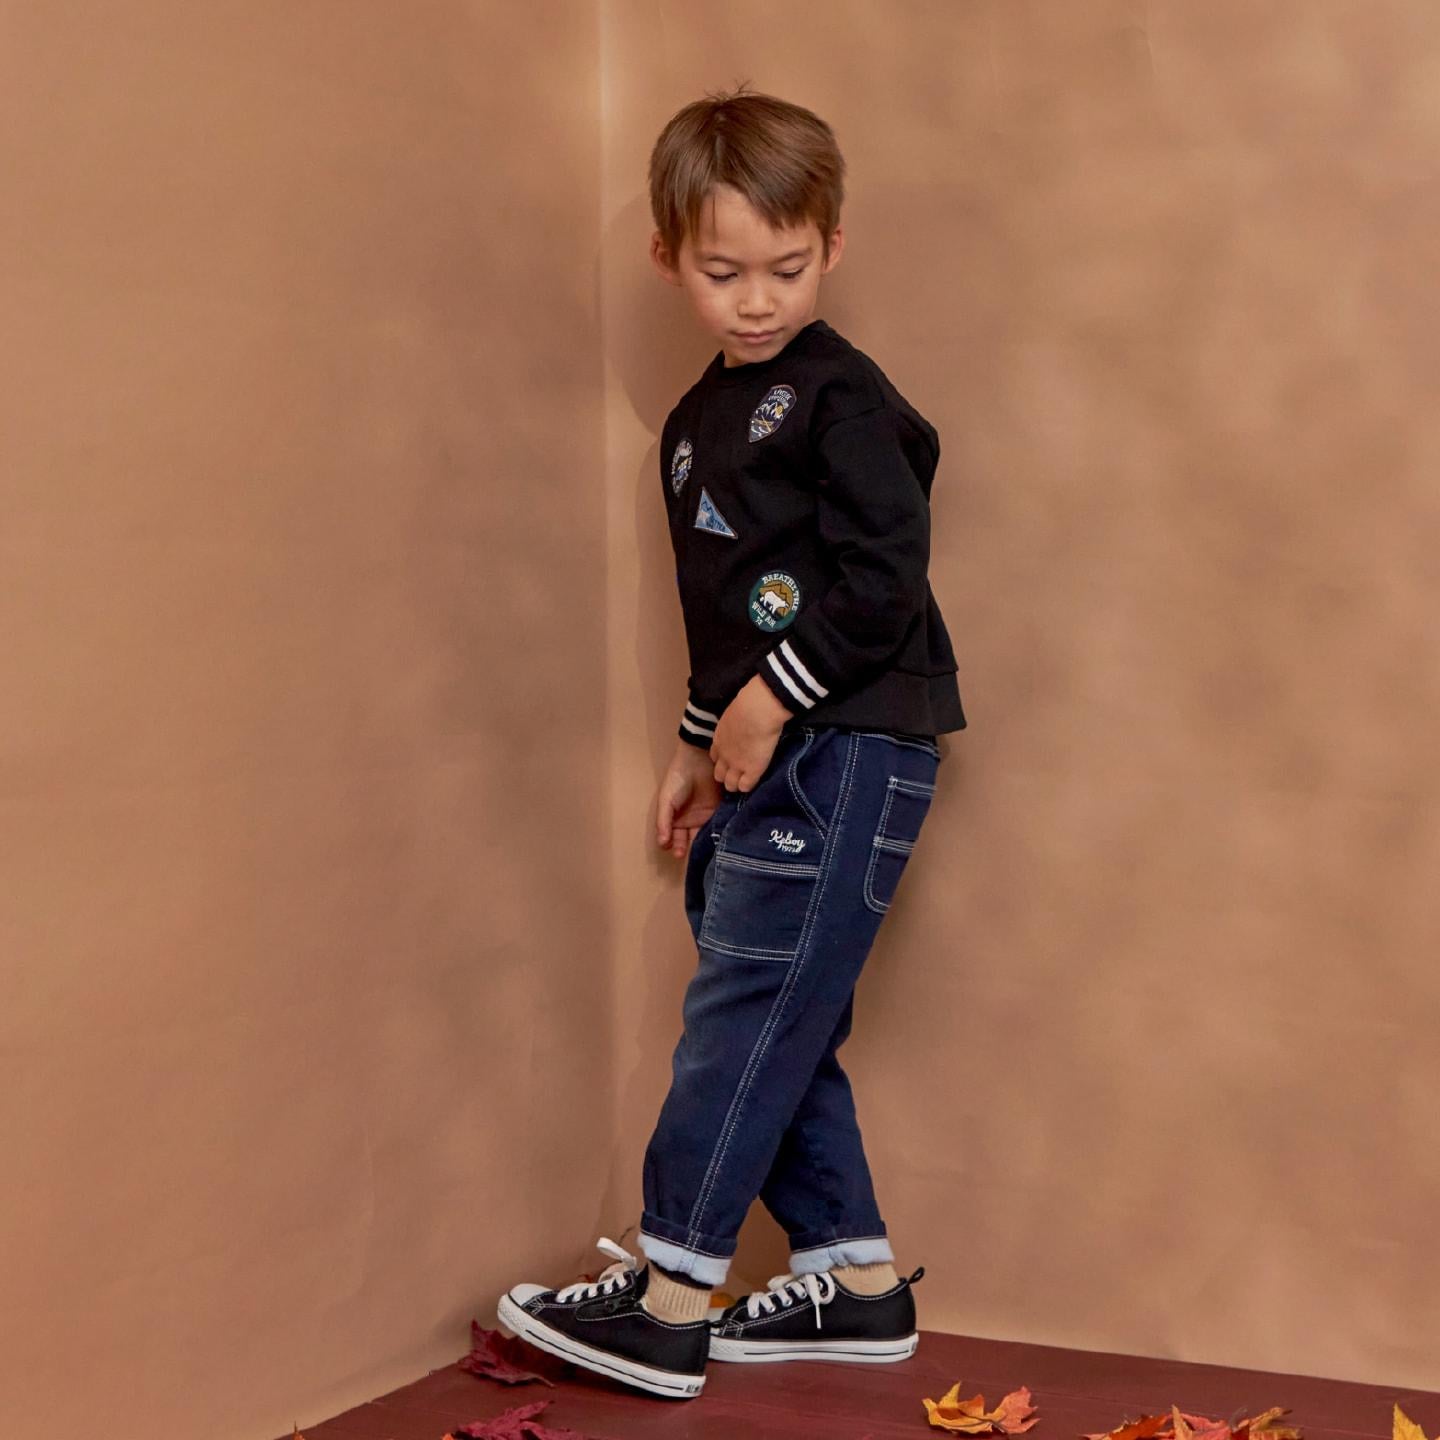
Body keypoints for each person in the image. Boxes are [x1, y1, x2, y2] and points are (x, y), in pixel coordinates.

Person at [496, 84, 967, 1402]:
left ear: (831, 244)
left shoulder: (843, 400)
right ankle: (855, 1283)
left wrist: (772, 701)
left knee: (747, 1007)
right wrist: (700, 741)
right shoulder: (696, 426)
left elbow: (883, 581)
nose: (757, 301)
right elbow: (730, 608)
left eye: (787, 269)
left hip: (850, 744)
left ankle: (669, 1294)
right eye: (723, 274)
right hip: (773, 745)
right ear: (669, 258)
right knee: (779, 1009)